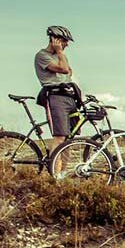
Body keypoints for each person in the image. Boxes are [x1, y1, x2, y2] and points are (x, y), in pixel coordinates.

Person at [35, 25, 81, 164]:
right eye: (65, 41)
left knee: (69, 138)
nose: (67, 44)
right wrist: (59, 52)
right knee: (60, 137)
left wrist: (61, 57)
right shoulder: (42, 55)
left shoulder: (62, 56)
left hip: (69, 97)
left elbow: (68, 71)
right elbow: (65, 69)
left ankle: (63, 174)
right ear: (55, 40)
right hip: (55, 97)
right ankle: (54, 174)